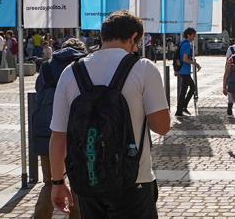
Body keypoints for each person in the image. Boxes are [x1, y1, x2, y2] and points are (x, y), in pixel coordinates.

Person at [49, 11, 170, 218]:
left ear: (103, 36)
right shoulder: (143, 69)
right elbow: (162, 127)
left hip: (89, 180)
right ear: (133, 37)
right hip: (135, 180)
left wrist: (57, 182)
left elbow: (58, 136)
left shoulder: (71, 72)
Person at [33, 38, 86, 219]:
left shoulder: (47, 67)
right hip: (78, 134)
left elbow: (39, 92)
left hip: (47, 132)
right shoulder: (83, 67)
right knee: (80, 183)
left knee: (50, 182)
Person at [175, 27, 201, 117]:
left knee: (191, 88)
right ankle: (179, 110)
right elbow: (185, 59)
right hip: (184, 71)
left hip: (183, 70)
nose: (194, 37)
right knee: (185, 91)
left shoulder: (182, 43)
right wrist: (195, 63)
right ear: (189, 35)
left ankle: (183, 107)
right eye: (193, 35)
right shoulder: (186, 44)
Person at [225, 39, 235, 117]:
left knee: (230, 91)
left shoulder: (231, 49)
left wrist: (226, 73)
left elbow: (227, 61)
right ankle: (232, 108)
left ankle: (230, 107)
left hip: (231, 72)